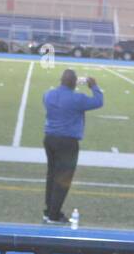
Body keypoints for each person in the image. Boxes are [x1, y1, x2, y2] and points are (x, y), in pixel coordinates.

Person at [42, 68, 103, 224]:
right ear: (74, 82)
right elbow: (98, 101)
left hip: (49, 139)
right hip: (67, 142)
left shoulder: (48, 95)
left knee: (52, 176)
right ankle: (54, 215)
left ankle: (49, 210)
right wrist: (94, 86)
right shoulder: (78, 99)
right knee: (63, 180)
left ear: (61, 80)